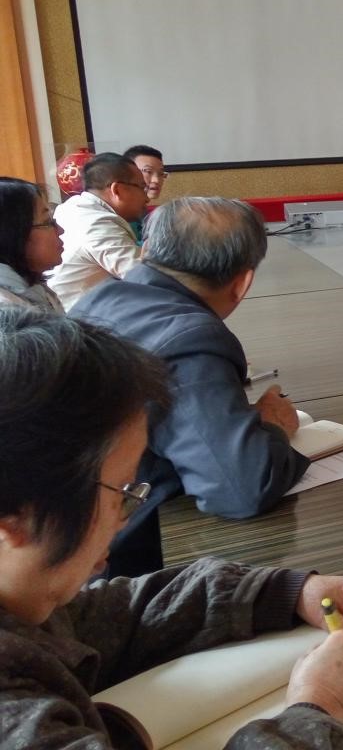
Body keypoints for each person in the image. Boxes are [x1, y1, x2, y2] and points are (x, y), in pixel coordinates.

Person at [0, 307, 343, 749]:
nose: (125, 518)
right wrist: (322, 703)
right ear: (15, 520)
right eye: (121, 491)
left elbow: (113, 616)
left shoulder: (21, 601)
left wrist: (288, 592)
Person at [71, 197, 309, 578]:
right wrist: (274, 426)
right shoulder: (189, 340)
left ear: (145, 250)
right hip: (121, 567)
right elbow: (239, 489)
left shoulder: (97, 299)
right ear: (243, 283)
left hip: (65, 536)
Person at [47, 153, 145, 310]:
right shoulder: (97, 223)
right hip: (76, 318)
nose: (146, 198)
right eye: (142, 187)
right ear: (117, 190)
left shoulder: (74, 207)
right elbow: (143, 276)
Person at [0, 178, 64, 312]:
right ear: (11, 233)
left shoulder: (33, 286)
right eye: (47, 222)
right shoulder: (7, 311)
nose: (60, 230)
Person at [123, 143, 168, 241]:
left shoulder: (149, 213)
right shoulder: (120, 216)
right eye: (148, 171)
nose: (156, 180)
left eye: (161, 174)